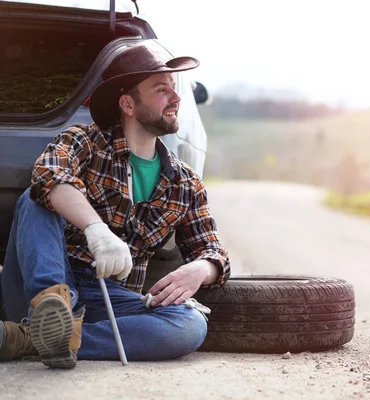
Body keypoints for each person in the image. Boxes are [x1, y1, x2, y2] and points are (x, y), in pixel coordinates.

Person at [0, 44, 231, 369]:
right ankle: (47, 313)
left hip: (107, 297)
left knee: (189, 325)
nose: (175, 98)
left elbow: (212, 250)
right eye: (161, 89)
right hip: (42, 283)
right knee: (37, 197)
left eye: (174, 88)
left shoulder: (184, 183)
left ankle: (37, 339)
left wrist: (200, 270)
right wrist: (97, 231)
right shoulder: (85, 142)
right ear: (128, 104)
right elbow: (48, 175)